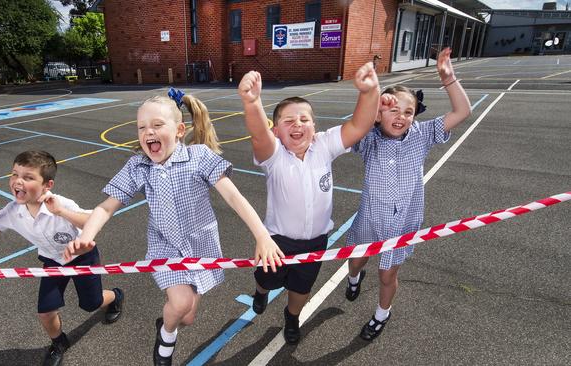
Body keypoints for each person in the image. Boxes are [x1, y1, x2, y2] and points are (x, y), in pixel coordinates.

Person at [64, 88, 283, 366]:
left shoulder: (199, 156)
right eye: (142, 127)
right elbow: (106, 207)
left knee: (187, 315)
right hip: (164, 244)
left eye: (157, 125)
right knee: (179, 305)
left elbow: (233, 196)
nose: (148, 132)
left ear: (180, 130)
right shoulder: (138, 166)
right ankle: (166, 339)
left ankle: (169, 323)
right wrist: (86, 235)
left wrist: (262, 235)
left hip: (201, 244)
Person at [238, 62, 380, 344]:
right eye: (288, 121)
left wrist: (369, 91)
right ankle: (261, 292)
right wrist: (252, 102)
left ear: (314, 126)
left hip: (315, 241)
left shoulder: (324, 146)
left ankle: (291, 318)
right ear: (276, 131)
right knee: (267, 279)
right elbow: (258, 134)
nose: (297, 125)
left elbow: (360, 125)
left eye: (304, 119)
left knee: (301, 290)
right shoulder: (274, 156)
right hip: (276, 241)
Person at [344, 47, 472, 341]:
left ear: (415, 116)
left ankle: (381, 315)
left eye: (408, 111)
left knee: (388, 275)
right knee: (356, 260)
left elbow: (462, 111)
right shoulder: (368, 139)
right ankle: (354, 279)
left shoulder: (422, 134)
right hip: (369, 219)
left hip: (402, 223)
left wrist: (448, 78)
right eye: (392, 110)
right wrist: (369, 98)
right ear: (377, 115)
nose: (401, 116)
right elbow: (358, 124)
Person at [0, 150, 124, 366]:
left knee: (92, 303)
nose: (18, 181)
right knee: (45, 311)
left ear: (48, 185)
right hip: (53, 261)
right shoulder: (12, 211)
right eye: (15, 174)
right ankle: (59, 342)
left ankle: (116, 296)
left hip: (83, 257)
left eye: (28, 177)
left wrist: (61, 212)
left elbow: (92, 220)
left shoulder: (60, 203)